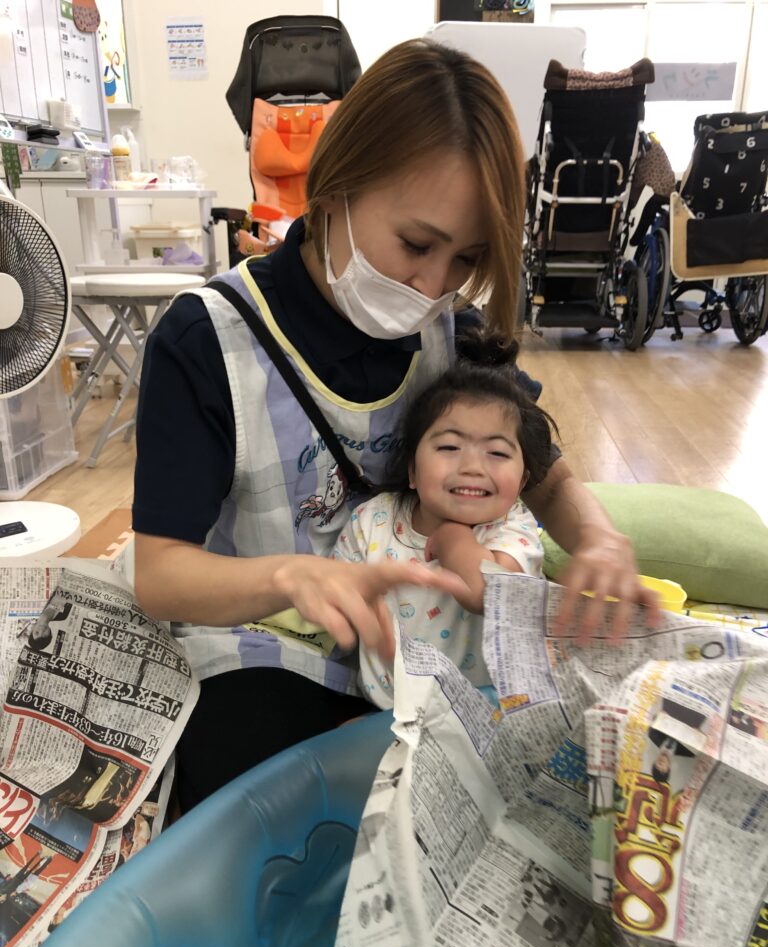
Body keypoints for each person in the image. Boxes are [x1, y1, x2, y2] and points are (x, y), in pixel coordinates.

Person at [133, 39, 657, 811]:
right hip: (271, 643)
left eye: (467, 258)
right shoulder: (206, 341)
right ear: (335, 187)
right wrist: (289, 576)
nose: (432, 285)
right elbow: (159, 575)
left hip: (426, 639)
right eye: (415, 244)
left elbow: (544, 472)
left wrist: (600, 540)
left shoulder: (451, 329)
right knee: (263, 796)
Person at [332, 339, 556, 703]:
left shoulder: (513, 530)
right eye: (450, 447)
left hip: (486, 712)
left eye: (497, 453)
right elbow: (337, 600)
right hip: (383, 709)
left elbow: (487, 593)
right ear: (412, 471)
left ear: (521, 483)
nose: (472, 467)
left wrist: (454, 539)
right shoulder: (372, 521)